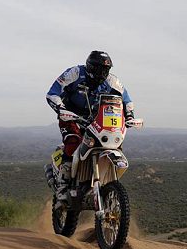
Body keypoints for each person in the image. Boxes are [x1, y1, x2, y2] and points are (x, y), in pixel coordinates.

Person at [46, 50, 135, 199]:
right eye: (100, 69)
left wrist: (130, 115)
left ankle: (106, 185)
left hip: (98, 120)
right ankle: (63, 184)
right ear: (91, 67)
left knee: (111, 144)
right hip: (71, 116)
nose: (103, 73)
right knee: (73, 141)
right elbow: (52, 93)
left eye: (106, 69)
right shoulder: (74, 73)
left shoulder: (112, 81)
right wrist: (61, 108)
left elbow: (127, 100)